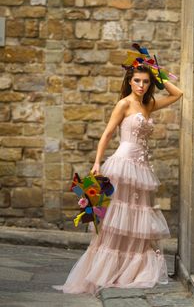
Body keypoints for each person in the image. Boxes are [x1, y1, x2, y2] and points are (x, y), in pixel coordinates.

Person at [52, 50, 183, 297]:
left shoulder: (149, 104)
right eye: (137, 81)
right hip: (123, 164)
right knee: (116, 219)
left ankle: (131, 269)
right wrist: (97, 163)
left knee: (136, 219)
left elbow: (178, 94)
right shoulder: (124, 104)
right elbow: (108, 134)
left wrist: (156, 72)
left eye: (145, 81)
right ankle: (107, 269)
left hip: (142, 167)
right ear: (129, 81)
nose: (141, 85)